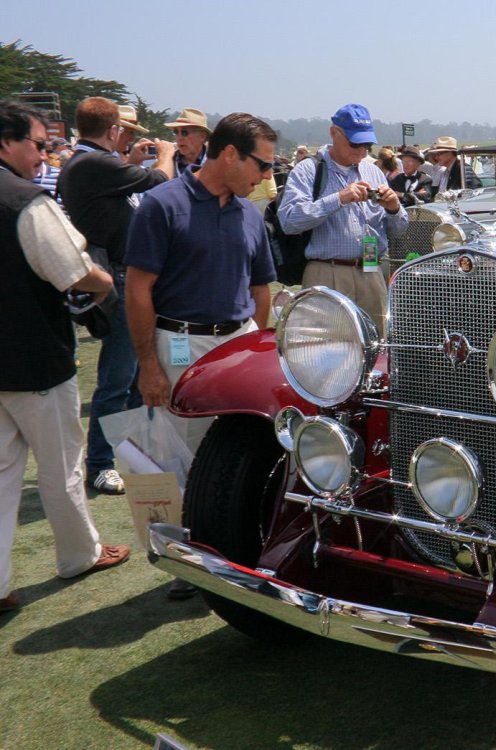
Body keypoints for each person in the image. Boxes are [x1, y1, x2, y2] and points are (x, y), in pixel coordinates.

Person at [0, 100, 130, 614]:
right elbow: (74, 271)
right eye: (38, 144)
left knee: (4, 474)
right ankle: (80, 554)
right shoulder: (23, 200)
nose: (43, 155)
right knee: (61, 465)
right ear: (6, 143)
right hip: (34, 357)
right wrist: (103, 285)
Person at [125, 112, 277, 455]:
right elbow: (137, 289)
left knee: (239, 451)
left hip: (239, 347)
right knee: (180, 456)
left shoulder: (250, 213)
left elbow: (260, 288)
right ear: (230, 154)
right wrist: (149, 365)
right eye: (262, 164)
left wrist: (253, 349)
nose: (267, 175)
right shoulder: (162, 204)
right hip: (180, 348)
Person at [57, 97, 176, 496]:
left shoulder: (86, 162)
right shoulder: (93, 163)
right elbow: (160, 182)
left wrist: (130, 159)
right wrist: (167, 156)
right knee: (119, 377)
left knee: (126, 379)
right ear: (111, 131)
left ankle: (120, 453)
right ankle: (101, 463)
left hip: (122, 274)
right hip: (119, 278)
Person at [277, 103, 406, 332]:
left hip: (371, 270)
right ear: (334, 133)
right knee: (325, 350)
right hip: (328, 272)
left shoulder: (374, 172)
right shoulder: (308, 170)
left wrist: (394, 209)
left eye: (367, 144)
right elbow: (289, 221)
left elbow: (398, 231)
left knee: (376, 347)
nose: (362, 150)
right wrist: (338, 199)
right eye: (355, 142)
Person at [164, 106, 210, 173]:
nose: (179, 138)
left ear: (202, 136)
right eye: (176, 132)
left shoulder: (216, 164)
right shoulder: (167, 163)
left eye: (184, 132)